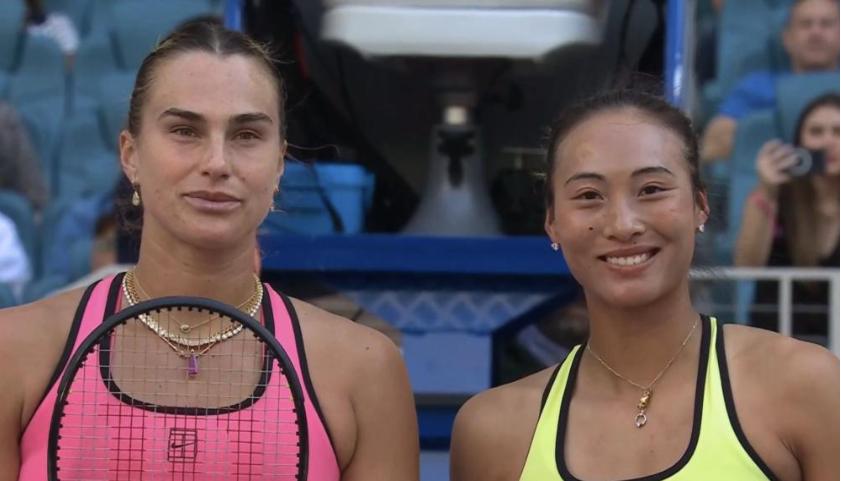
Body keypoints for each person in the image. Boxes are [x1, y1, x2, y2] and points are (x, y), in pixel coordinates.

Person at [0, 22, 419, 480]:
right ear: (130, 155)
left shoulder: (365, 369)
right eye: (185, 130)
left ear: (279, 165)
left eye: (246, 135)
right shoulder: (12, 350)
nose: (217, 163)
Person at [450, 90, 838, 481]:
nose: (623, 225)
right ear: (553, 223)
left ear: (699, 206)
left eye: (651, 189)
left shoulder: (804, 384)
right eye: (589, 195)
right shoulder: (493, 431)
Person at [734, 93, 839, 341]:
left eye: (838, 131)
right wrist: (766, 190)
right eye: (816, 132)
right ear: (799, 143)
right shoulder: (773, 195)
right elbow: (747, 266)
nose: (828, 141)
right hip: (778, 341)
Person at [701, 0, 839, 162]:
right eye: (806, 24)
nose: (816, 32)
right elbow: (713, 147)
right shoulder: (754, 88)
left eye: (826, 24)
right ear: (787, 38)